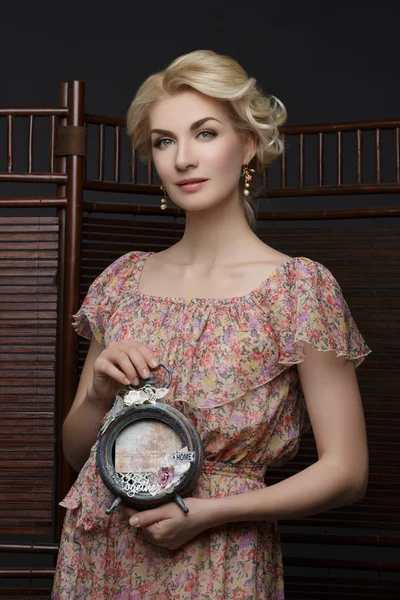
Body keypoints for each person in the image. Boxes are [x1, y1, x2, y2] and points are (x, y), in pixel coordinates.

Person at [52, 49, 371, 600]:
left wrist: (209, 513)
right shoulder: (122, 281)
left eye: (204, 133)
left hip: (219, 553)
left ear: (247, 144)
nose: (182, 159)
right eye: (164, 141)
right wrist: (99, 394)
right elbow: (80, 455)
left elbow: (347, 471)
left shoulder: (297, 290)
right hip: (102, 548)